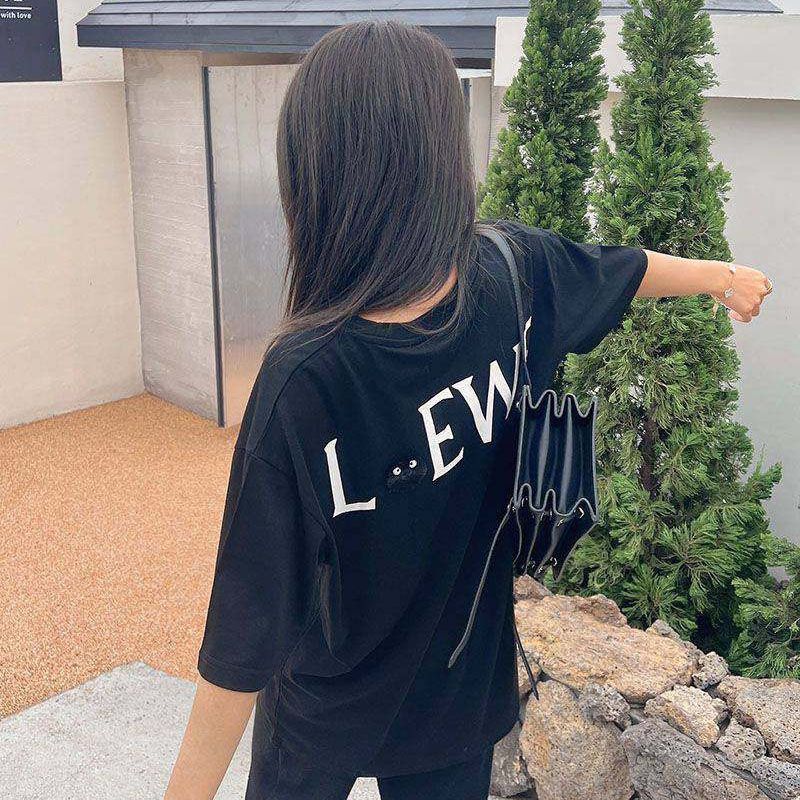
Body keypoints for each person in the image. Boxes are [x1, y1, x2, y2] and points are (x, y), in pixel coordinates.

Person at [164, 19, 772, 800]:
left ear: (313, 176)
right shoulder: (512, 271)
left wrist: (720, 278)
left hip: (339, 704)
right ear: (440, 158)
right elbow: (619, 271)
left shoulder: (307, 376)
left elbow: (245, 635)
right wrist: (722, 276)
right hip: (452, 691)